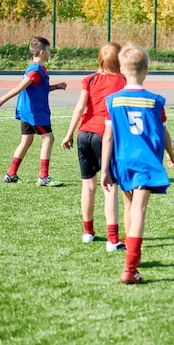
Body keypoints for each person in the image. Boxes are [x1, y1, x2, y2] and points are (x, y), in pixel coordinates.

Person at [100, 43, 174, 285]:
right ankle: (130, 267)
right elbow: (163, 132)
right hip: (145, 162)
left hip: (122, 162)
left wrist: (104, 169)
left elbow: (108, 136)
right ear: (147, 70)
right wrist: (170, 154)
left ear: (122, 69)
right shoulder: (155, 101)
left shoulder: (112, 100)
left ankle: (133, 251)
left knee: (129, 206)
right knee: (139, 210)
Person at [61, 42, 127, 251]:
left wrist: (69, 133)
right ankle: (113, 239)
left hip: (84, 134)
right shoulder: (123, 81)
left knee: (87, 186)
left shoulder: (89, 79)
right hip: (105, 135)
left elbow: (80, 107)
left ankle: (88, 232)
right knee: (109, 187)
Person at [0, 36, 67, 186]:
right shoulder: (36, 70)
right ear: (42, 52)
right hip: (35, 113)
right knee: (48, 138)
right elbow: (20, 87)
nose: (50, 52)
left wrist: (56, 86)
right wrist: (1, 101)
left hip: (26, 111)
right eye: (49, 50)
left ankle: (11, 174)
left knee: (27, 140)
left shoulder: (35, 67)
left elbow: (38, 88)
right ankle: (44, 177)